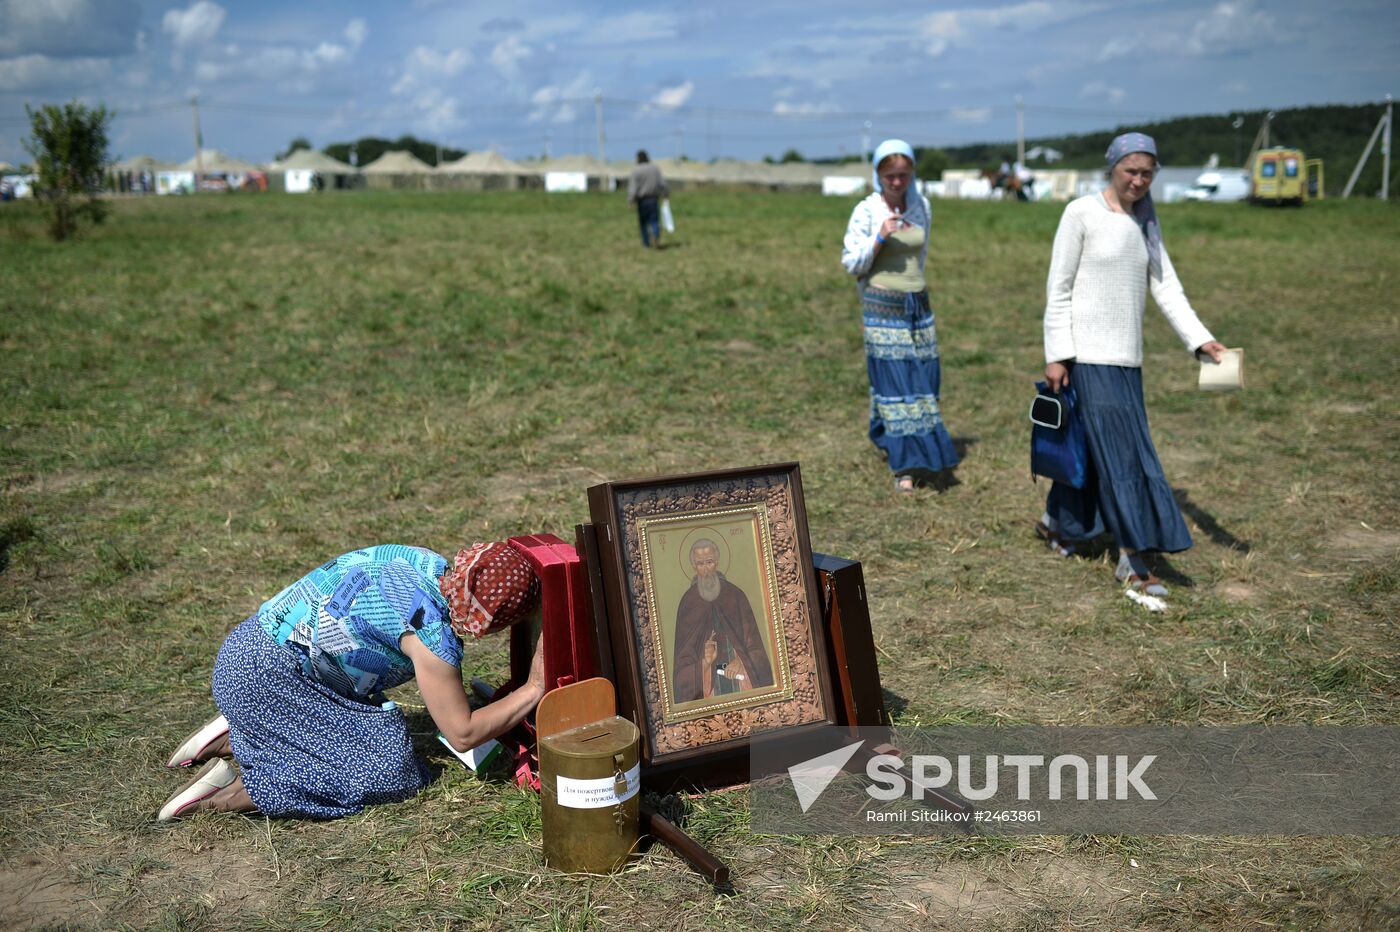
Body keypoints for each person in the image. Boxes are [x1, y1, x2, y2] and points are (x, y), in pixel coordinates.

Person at [157, 541, 546, 821]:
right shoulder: (432, 641)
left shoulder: (421, 560)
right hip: (269, 682)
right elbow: (463, 733)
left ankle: (238, 729)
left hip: (244, 652)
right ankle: (223, 796)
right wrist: (534, 688)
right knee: (390, 772)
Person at [1038, 132, 1226, 602]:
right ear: (1113, 168)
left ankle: (1058, 524)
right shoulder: (1080, 213)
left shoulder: (1146, 220)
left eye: (1147, 173)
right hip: (1089, 359)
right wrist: (1057, 354)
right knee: (1125, 459)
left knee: (1102, 453)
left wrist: (1201, 341)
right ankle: (1131, 556)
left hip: (1129, 360)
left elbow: (1166, 287)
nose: (1139, 181)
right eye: (1131, 171)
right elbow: (1057, 288)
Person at [841, 138, 959, 493]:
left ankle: (898, 441)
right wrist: (880, 237)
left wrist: (917, 289)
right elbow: (851, 263)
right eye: (890, 176)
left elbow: (920, 256)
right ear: (878, 175)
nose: (897, 183)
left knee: (924, 377)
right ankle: (905, 466)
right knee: (896, 383)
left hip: (917, 305)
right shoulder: (867, 210)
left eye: (903, 175)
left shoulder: (921, 205)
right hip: (881, 305)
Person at [671, 539, 774, 703]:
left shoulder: (735, 595)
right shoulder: (688, 602)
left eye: (709, 562)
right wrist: (705, 662)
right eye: (700, 564)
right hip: (707, 685)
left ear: (717, 563)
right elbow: (682, 667)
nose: (705, 569)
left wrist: (740, 660)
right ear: (694, 566)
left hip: (741, 678)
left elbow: (755, 646)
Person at [627, 149, 668, 248]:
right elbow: (662, 183)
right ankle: (656, 233)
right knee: (654, 220)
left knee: (643, 223)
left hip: (642, 200)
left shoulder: (636, 170)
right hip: (653, 199)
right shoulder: (655, 169)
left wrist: (631, 200)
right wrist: (665, 193)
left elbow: (633, 187)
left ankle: (646, 243)